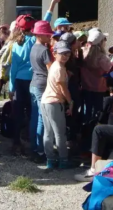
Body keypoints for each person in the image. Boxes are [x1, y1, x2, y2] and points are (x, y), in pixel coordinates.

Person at [41, 41, 75, 170]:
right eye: (62, 53)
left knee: (48, 133)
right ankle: (63, 160)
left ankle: (50, 160)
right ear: (54, 53)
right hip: (55, 102)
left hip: (45, 101)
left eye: (68, 53)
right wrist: (70, 102)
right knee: (59, 133)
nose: (65, 56)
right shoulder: (60, 68)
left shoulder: (55, 65)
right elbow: (63, 88)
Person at [10, 14, 36, 156]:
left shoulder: (15, 44)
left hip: (19, 81)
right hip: (32, 80)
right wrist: (51, 6)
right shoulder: (34, 40)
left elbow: (13, 68)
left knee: (18, 113)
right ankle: (32, 142)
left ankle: (16, 142)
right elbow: (46, 21)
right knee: (32, 112)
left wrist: (11, 87)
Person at [29, 21, 54, 164]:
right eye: (47, 34)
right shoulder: (44, 50)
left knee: (34, 117)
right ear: (41, 35)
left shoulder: (33, 48)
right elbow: (51, 70)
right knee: (42, 118)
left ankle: (33, 147)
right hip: (42, 84)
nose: (49, 37)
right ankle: (40, 149)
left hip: (33, 83)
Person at [81, 28, 112, 125]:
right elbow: (109, 70)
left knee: (87, 111)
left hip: (85, 87)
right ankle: (94, 132)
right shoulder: (102, 58)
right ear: (101, 42)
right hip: (99, 89)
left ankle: (85, 131)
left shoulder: (83, 53)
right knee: (97, 113)